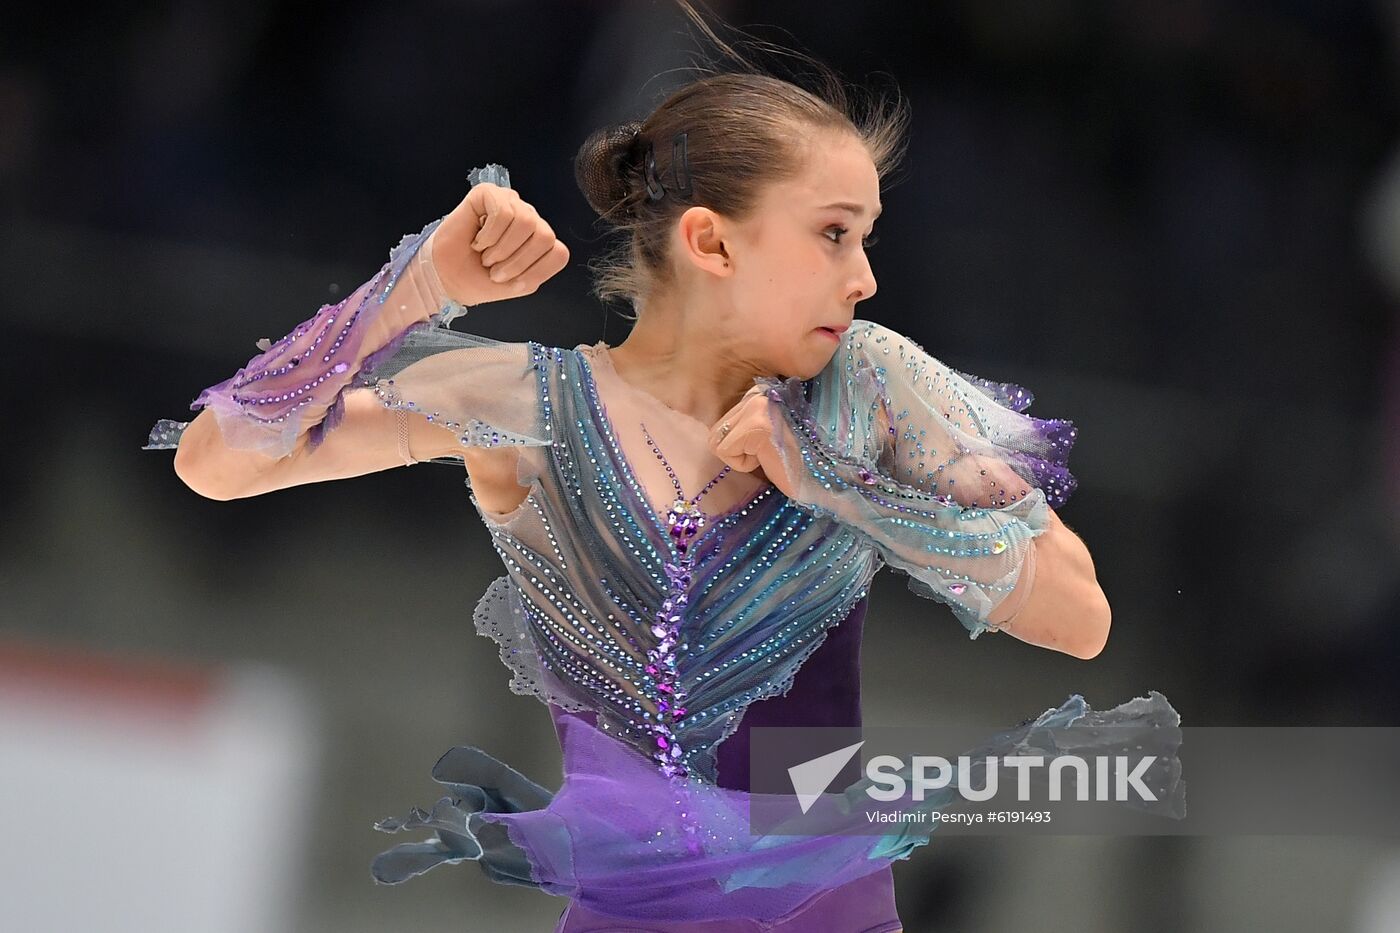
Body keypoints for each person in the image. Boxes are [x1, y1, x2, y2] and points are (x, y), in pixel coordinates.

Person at [145, 13, 1182, 930]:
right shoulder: (527, 408)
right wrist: (407, 290)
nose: (861, 277)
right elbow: (216, 462)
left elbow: (1077, 613)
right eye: (831, 236)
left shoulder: (868, 387)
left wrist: (842, 490)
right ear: (708, 242)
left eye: (863, 238)